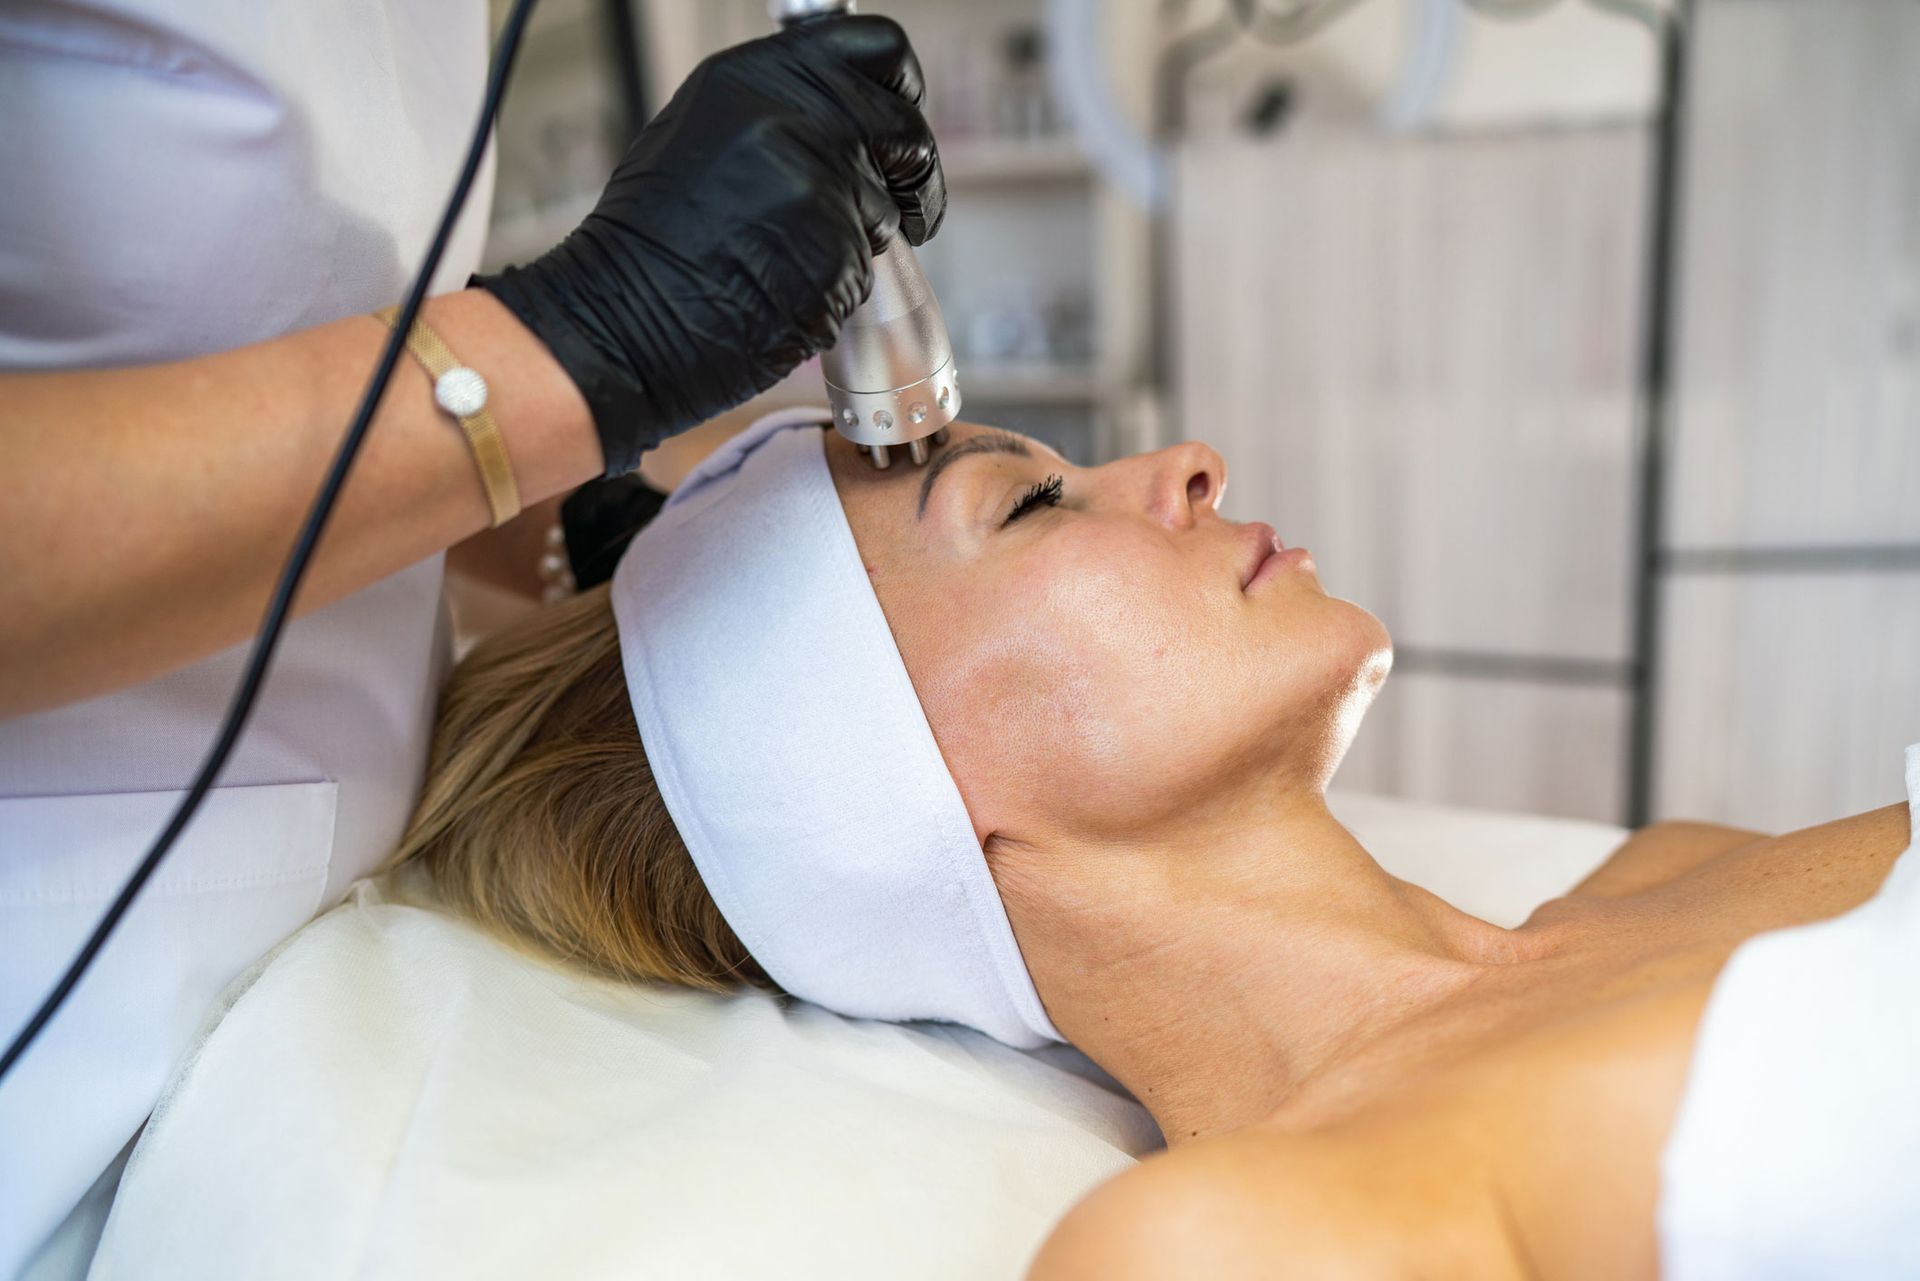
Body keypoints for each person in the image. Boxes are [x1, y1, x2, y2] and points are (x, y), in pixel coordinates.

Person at [389, 416, 1914, 1277]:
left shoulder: (1676, 866)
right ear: (902, 787)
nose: (1188, 461)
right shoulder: (1216, 1244)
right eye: (1030, 503)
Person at [0, 5, 944, 1273]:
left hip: (306, 970)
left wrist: (587, 524)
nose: (1185, 469)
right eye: (1035, 501)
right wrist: (575, 348)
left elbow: (276, 331)